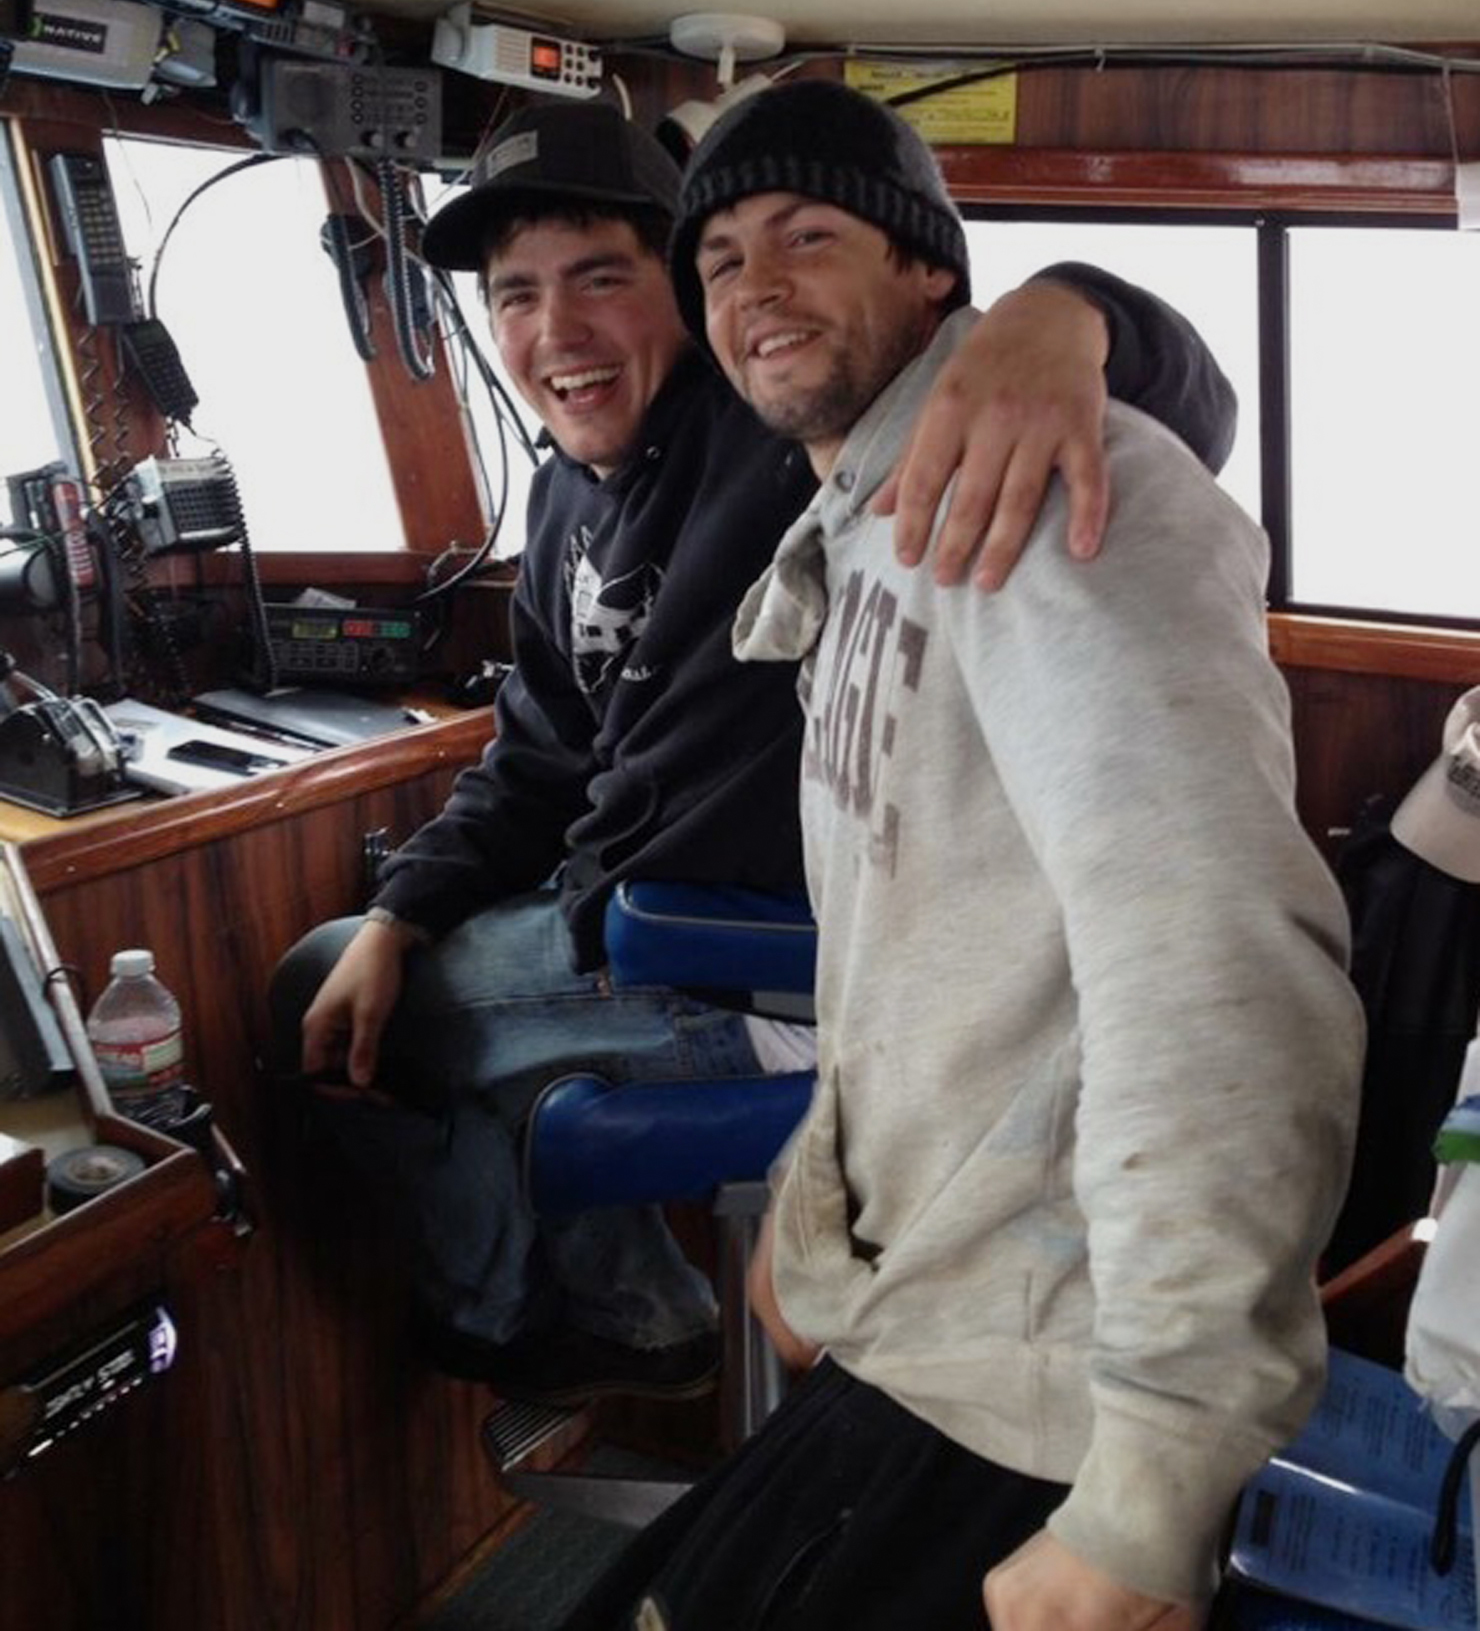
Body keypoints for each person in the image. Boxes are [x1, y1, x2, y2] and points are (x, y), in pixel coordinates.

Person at [269, 98, 1237, 1407]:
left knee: (313, 1006)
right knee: (348, 973)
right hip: (624, 923)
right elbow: (540, 763)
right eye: (515, 297)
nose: (555, 332)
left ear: (687, 294)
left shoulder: (795, 434)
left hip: (775, 971)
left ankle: (523, 1320)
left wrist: (1069, 311)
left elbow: (1185, 403)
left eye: (603, 279)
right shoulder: (561, 503)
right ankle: (628, 1312)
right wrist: (402, 910)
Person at [561, 80, 1365, 1628]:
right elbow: (923, 955)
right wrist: (818, 1205)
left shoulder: (1044, 492)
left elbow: (1218, 973)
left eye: (810, 234)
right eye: (721, 258)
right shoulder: (866, 521)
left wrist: (1153, 1492)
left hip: (1046, 1381)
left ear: (932, 269)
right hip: (922, 1310)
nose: (759, 287)